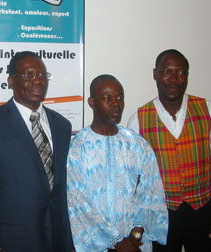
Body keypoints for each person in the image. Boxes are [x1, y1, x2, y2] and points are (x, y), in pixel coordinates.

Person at [0, 51, 74, 252]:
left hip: (58, 240)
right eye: (28, 75)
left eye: (42, 75)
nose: (37, 81)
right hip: (13, 241)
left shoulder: (62, 125)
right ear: (10, 81)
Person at [128, 49, 211, 252]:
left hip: (203, 211)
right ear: (155, 74)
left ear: (187, 76)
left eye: (181, 72)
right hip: (159, 215)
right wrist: (136, 223)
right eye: (167, 71)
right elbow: (134, 178)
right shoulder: (138, 119)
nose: (174, 79)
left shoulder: (208, 110)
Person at [67, 74, 168, 252]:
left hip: (136, 243)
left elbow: (151, 190)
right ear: (92, 102)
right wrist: (117, 241)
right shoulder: (78, 148)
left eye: (120, 97)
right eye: (108, 98)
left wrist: (136, 233)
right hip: (96, 245)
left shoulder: (136, 144)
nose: (116, 103)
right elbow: (77, 203)